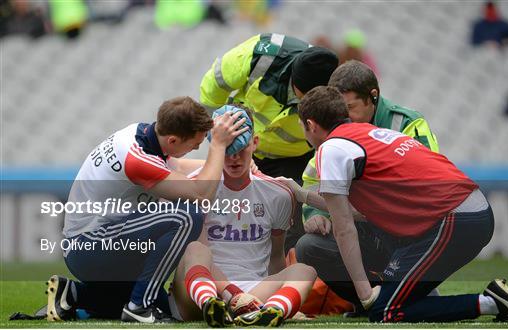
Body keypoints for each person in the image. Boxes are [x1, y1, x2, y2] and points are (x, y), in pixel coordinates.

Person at [283, 86, 508, 323]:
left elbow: (344, 227)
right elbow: (361, 212)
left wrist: (364, 295)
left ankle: (490, 303)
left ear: (311, 125)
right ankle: (413, 295)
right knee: (389, 302)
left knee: (385, 311)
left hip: (452, 218)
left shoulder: (331, 149)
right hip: (467, 211)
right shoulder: (367, 133)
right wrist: (303, 195)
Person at [46, 96, 248, 323]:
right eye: (194, 145)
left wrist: (232, 166)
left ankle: (73, 294)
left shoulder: (142, 133)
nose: (196, 149)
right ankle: (139, 308)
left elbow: (178, 166)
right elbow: (201, 194)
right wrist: (218, 146)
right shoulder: (138, 160)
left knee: (171, 308)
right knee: (186, 216)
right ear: (173, 140)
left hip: (92, 245)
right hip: (88, 247)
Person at [296, 60, 439, 313]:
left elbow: (426, 183)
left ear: (373, 97)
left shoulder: (407, 124)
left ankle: (403, 293)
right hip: (364, 227)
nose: (344, 114)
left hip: (406, 228)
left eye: (349, 106)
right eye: (340, 107)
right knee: (310, 247)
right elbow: (313, 178)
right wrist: (316, 213)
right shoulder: (334, 136)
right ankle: (372, 302)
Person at [167, 105, 316, 327]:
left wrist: (273, 293)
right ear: (215, 144)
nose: (234, 158)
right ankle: (213, 307)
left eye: (242, 148)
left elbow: (276, 256)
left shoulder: (278, 194)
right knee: (195, 250)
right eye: (228, 149)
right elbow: (191, 255)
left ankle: (272, 311)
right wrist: (232, 295)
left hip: (252, 295)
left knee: (304, 271)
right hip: (200, 290)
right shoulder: (196, 188)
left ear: (255, 142)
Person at [200, 33, 339, 251]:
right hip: (241, 145)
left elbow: (327, 149)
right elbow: (214, 85)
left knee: (289, 224)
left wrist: (314, 210)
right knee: (223, 211)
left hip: (293, 159)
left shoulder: (333, 96)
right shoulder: (261, 54)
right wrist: (217, 134)